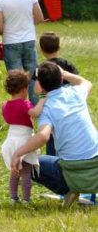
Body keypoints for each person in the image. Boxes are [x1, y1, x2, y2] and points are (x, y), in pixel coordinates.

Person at [11, 62, 98, 207]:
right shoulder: (75, 93)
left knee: (27, 162)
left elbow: (43, 136)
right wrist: (64, 73)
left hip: (72, 172)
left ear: (40, 85)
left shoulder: (47, 108)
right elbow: (86, 82)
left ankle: (69, 189)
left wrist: (18, 153)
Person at [0, 0, 44, 103]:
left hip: (11, 42)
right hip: (29, 40)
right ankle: (37, 107)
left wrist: (5, 29)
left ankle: (20, 108)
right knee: (34, 76)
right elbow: (39, 18)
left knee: (15, 81)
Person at [0, 70, 45, 203]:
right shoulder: (25, 103)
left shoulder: (5, 105)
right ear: (23, 89)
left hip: (11, 139)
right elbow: (35, 113)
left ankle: (13, 197)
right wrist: (42, 98)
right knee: (26, 173)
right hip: (24, 141)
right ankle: (26, 199)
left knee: (14, 172)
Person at [38, 31, 79, 156]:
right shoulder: (66, 64)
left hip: (50, 106)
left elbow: (36, 89)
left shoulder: (41, 68)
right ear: (59, 47)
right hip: (68, 107)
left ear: (41, 49)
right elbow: (77, 81)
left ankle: (51, 157)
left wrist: (42, 97)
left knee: (50, 133)